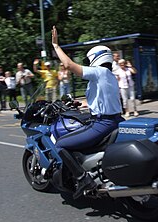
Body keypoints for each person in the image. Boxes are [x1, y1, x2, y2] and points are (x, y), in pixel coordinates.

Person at [51, 26, 124, 199]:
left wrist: (56, 46)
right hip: (116, 120)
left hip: (102, 124)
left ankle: (83, 179)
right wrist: (83, 103)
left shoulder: (98, 72)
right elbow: (104, 100)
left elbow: (68, 65)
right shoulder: (110, 75)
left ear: (95, 59)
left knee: (60, 144)